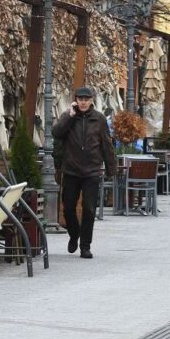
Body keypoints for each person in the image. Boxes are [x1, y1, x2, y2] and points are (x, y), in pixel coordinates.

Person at [51, 86, 116, 259]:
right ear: (76, 100)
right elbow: (56, 133)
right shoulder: (69, 116)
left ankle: (85, 246)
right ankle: (74, 234)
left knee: (89, 209)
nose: (83, 102)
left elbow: (106, 145)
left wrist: (111, 169)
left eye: (86, 99)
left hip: (91, 171)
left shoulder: (99, 119)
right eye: (80, 99)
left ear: (91, 100)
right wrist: (70, 117)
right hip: (71, 170)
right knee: (68, 208)